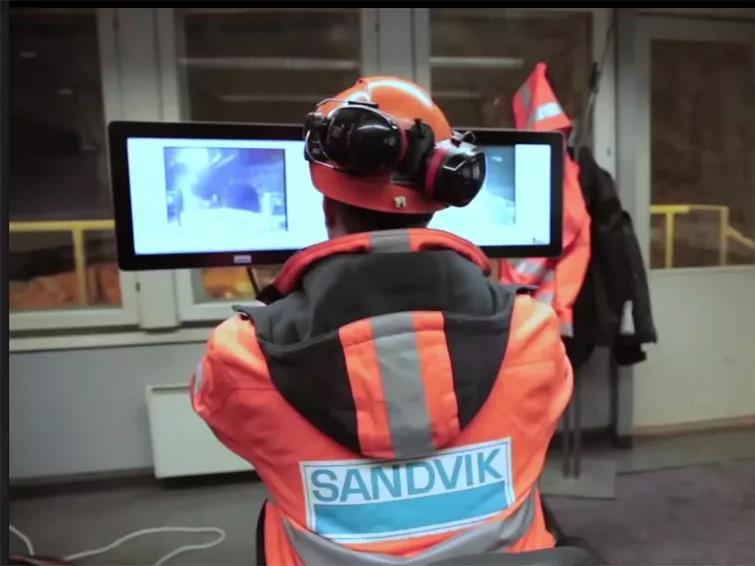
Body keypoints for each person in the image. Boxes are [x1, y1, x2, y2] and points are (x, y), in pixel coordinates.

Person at [189, 76, 574, 565]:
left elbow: (226, 419)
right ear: (441, 196)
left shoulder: (243, 355)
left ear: (326, 204)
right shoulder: (533, 333)